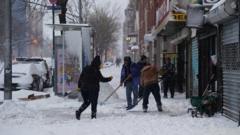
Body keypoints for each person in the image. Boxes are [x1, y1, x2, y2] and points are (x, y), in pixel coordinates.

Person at [76, 56, 112, 120]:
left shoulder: (86, 68)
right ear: (98, 63)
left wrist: (79, 86)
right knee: (94, 103)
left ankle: (79, 112)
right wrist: (109, 78)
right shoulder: (96, 71)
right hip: (93, 89)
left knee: (87, 102)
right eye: (100, 64)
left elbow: (81, 77)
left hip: (84, 89)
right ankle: (93, 117)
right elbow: (102, 79)